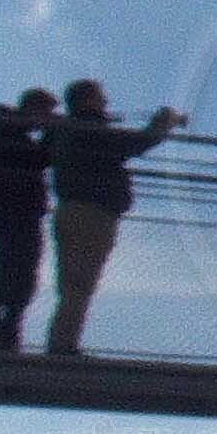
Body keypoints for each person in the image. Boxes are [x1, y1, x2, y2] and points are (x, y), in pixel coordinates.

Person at [44, 80, 184, 360]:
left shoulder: (67, 130)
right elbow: (133, 144)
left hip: (72, 210)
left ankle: (62, 342)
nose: (106, 103)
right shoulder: (88, 128)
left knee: (72, 282)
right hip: (92, 213)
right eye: (100, 98)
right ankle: (62, 346)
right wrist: (163, 125)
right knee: (81, 282)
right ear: (87, 100)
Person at [0, 90, 55, 353]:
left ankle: (0, 336)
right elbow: (37, 159)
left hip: (16, 217)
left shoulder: (6, 130)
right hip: (15, 218)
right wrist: (52, 134)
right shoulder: (8, 132)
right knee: (11, 281)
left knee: (14, 281)